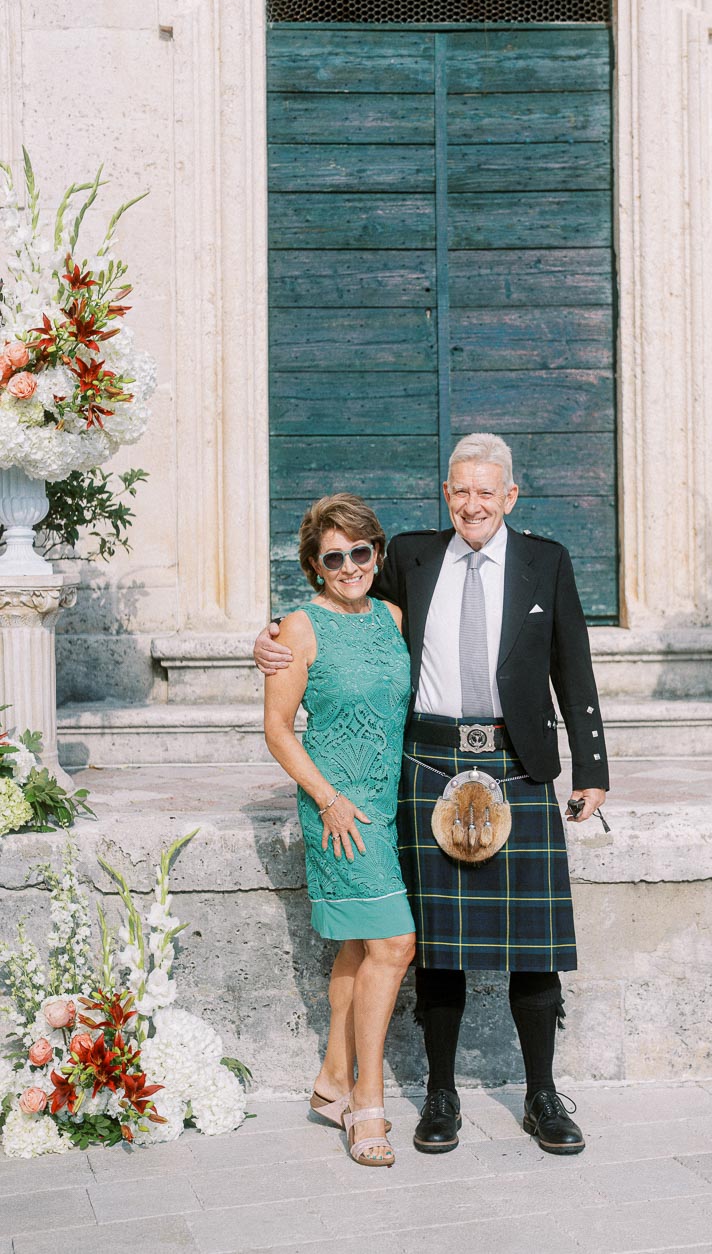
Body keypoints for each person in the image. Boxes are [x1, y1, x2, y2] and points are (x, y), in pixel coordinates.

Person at [256, 434, 608, 1157]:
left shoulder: (546, 560)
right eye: (460, 491)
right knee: (435, 944)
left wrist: (593, 766)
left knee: (534, 948)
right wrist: (263, 639)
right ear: (445, 495)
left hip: (519, 763)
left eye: (487, 491)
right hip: (430, 762)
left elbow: (573, 664)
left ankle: (542, 1094)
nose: (472, 504)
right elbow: (330, 608)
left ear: (510, 496)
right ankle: (440, 1096)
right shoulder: (412, 557)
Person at [263, 493, 416, 1169]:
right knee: (394, 942)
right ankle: (366, 1100)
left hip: (387, 804)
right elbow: (277, 729)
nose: (350, 565)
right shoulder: (298, 627)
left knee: (360, 948)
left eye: (360, 551)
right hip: (338, 811)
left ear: (376, 553)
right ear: (314, 565)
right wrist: (326, 799)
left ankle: (329, 1081)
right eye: (334, 557)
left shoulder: (392, 616)